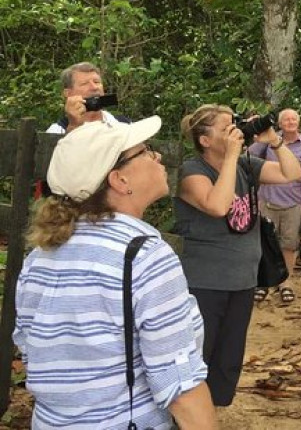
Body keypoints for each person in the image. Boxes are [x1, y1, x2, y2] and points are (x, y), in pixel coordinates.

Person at [15, 117, 217, 429]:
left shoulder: (40, 257)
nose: (157, 156)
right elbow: (180, 388)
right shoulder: (145, 256)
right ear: (119, 180)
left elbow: (34, 355)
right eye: (146, 151)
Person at [172, 104, 301, 408]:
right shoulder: (192, 171)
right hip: (205, 282)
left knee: (227, 358)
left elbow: (291, 174)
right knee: (198, 354)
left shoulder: (245, 165)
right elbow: (217, 205)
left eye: (236, 125)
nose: (235, 132)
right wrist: (231, 155)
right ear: (204, 140)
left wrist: (274, 140)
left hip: (242, 279)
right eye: (225, 128)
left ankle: (213, 413)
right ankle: (186, 416)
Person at [247, 108, 301, 304]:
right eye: (286, 119)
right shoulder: (269, 141)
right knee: (264, 242)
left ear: (299, 122)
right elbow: (248, 156)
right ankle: (262, 282)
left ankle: (285, 282)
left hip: (293, 202)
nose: (290, 122)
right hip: (266, 200)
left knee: (289, 243)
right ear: (279, 124)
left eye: (293, 119)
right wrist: (256, 131)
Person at [45, 61, 129, 134]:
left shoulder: (124, 124)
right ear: (68, 93)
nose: (94, 87)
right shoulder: (57, 130)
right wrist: (74, 126)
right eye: (84, 84)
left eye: (96, 82)